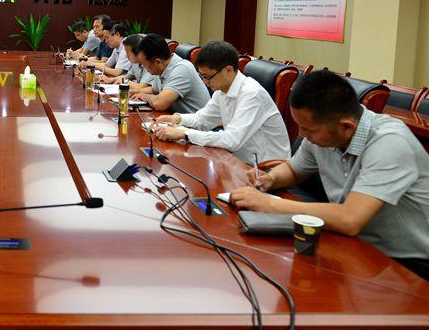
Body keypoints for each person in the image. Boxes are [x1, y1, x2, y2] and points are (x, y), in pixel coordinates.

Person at [231, 70, 429, 281]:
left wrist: (268, 204)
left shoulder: (390, 143)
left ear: (346, 127)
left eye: (308, 130)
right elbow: (294, 171)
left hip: (406, 265)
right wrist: (271, 178)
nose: (302, 135)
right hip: (354, 246)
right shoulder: (326, 130)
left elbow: (349, 219)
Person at [153, 40, 290, 165]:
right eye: (202, 76)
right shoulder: (221, 90)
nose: (204, 82)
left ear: (228, 70)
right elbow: (203, 119)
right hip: (237, 161)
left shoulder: (251, 94)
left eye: (207, 76)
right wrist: (177, 119)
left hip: (266, 170)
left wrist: (185, 133)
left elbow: (232, 140)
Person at [130, 33, 210, 113]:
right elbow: (154, 90)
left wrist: (146, 96)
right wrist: (132, 92)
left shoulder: (182, 69)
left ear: (157, 62)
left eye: (144, 64)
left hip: (197, 120)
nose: (143, 67)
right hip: (178, 117)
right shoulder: (162, 67)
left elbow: (159, 103)